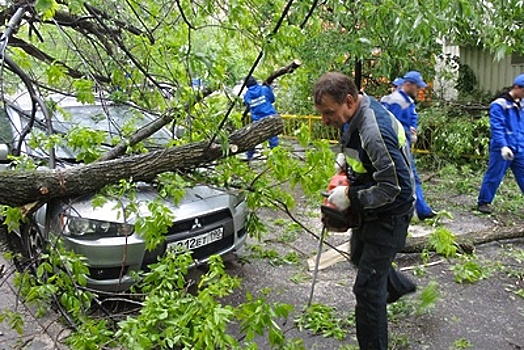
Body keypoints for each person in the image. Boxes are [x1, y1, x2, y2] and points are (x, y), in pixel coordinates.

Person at [313, 72, 416, 350]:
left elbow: (397, 190)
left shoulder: (374, 131)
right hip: (371, 207)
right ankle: (398, 287)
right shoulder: (354, 115)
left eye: (329, 113)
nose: (325, 120)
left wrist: (350, 196)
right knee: (358, 254)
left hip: (391, 213)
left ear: (349, 100)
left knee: (367, 291)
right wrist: (345, 165)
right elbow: (361, 155)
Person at [381, 71, 437, 220]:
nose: (419, 90)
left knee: (405, 177)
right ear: (409, 84)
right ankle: (418, 210)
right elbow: (390, 125)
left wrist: (411, 130)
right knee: (410, 178)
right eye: (417, 87)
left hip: (400, 145)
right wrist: (407, 132)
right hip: (398, 146)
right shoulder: (398, 101)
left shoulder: (404, 100)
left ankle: (418, 209)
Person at [477, 74, 524, 214]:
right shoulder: (499, 104)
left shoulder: (521, 104)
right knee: (494, 175)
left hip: (519, 147)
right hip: (503, 148)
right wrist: (503, 146)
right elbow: (497, 127)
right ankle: (484, 202)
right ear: (517, 87)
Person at [243, 76, 279, 161]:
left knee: (253, 139)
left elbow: (248, 105)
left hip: (258, 121)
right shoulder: (265, 89)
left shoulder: (246, 96)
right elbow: (272, 100)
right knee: (273, 139)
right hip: (271, 117)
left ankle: (249, 157)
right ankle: (276, 159)